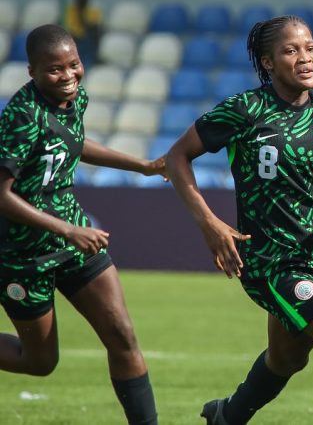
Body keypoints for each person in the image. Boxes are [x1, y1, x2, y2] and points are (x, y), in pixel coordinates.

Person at [166, 15, 313, 425]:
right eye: (290, 50)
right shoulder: (246, 110)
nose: (304, 58)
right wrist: (209, 223)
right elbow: (177, 156)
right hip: (269, 264)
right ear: (268, 63)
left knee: (288, 358)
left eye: (310, 48)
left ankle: (228, 415)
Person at [0, 24, 164, 425]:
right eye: (55, 70)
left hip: (75, 240)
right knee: (40, 363)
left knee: (122, 335)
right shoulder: (22, 116)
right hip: (23, 252)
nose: (69, 75)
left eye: (74, 65)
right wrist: (69, 230)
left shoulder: (75, 98)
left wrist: (140, 165)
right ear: (32, 72)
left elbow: (72, 142)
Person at [63, 0, 103, 67]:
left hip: (88, 43)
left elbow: (93, 30)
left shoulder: (93, 11)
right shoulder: (70, 10)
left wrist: (81, 14)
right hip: (74, 42)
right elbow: (69, 29)